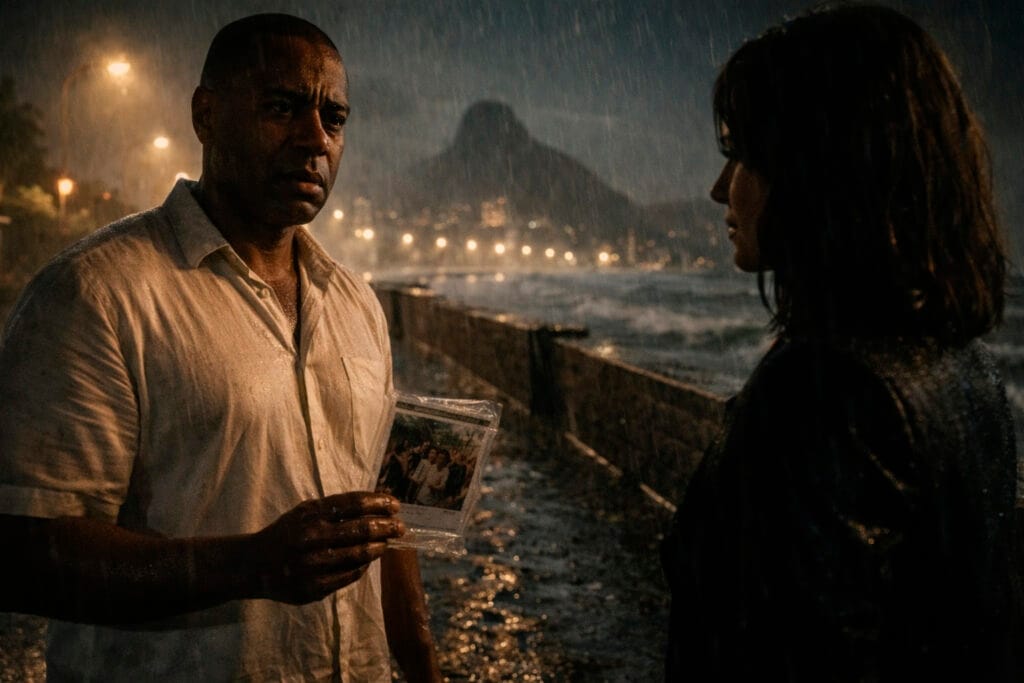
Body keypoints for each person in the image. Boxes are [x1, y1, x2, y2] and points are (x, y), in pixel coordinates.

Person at [0, 14, 441, 682]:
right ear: (206, 114)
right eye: (282, 108)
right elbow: (24, 551)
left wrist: (421, 660)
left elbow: (383, 516)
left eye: (335, 118)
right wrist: (249, 564)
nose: (314, 139)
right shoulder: (96, 294)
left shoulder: (356, 306)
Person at [662, 5, 1020, 681]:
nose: (718, 190)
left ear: (815, 168)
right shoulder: (967, 367)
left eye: (739, 153)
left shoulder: (824, 393)